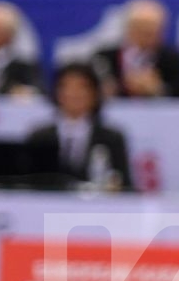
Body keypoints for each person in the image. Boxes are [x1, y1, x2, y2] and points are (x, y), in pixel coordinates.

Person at [20, 63, 133, 191]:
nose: (74, 94)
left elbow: (126, 185)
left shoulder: (111, 138)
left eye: (82, 87)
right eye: (66, 87)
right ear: (57, 93)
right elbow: (27, 184)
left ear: (95, 94)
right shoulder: (40, 137)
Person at [91, 0, 179, 99]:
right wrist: (121, 85)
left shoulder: (171, 59)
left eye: (151, 32)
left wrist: (158, 88)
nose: (146, 37)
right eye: (140, 30)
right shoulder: (105, 57)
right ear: (128, 30)